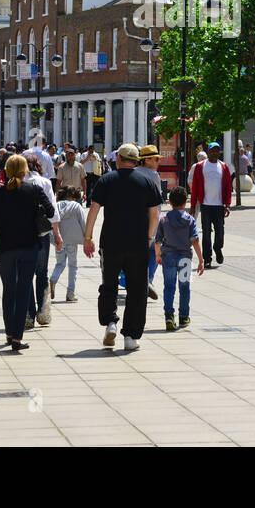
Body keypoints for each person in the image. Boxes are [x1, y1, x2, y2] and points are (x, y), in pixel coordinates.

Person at [83, 143, 162, 352]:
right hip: (137, 243)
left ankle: (110, 322)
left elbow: (94, 209)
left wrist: (88, 237)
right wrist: (149, 238)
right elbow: (155, 215)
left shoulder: (106, 180)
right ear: (136, 161)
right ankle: (130, 336)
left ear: (118, 159)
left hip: (111, 242)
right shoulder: (147, 181)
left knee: (108, 285)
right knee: (137, 289)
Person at [0, 155, 54, 351]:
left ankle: (8, 333)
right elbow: (50, 211)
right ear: (25, 171)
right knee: (23, 290)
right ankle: (17, 337)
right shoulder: (34, 189)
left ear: (6, 171)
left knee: (8, 290)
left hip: (5, 248)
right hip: (29, 246)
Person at [155, 186, 205, 330]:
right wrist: (201, 260)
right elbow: (194, 240)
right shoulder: (189, 220)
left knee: (169, 287)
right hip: (185, 258)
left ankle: (169, 316)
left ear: (170, 202)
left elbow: (158, 240)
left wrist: (158, 255)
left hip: (168, 257)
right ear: (186, 202)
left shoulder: (164, 219)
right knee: (184, 287)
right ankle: (184, 316)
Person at [23, 152, 61, 328]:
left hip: (24, 233)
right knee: (42, 273)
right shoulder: (45, 182)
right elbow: (52, 210)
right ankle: (43, 312)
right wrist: (57, 234)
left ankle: (28, 314)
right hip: (42, 233)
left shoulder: (20, 182)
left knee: (25, 274)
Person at [190, 142, 232, 268]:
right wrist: (193, 206)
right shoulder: (200, 166)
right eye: (212, 150)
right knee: (206, 233)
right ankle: (207, 258)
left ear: (219, 152)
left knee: (220, 232)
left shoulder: (224, 167)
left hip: (219, 205)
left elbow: (228, 188)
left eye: (216, 150)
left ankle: (217, 248)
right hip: (206, 205)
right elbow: (195, 188)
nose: (214, 153)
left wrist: (228, 205)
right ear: (208, 152)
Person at [50, 185, 86, 302]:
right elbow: (83, 222)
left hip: (59, 240)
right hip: (72, 240)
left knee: (60, 263)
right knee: (73, 266)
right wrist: (87, 237)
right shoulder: (76, 206)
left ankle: (53, 278)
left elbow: (52, 221)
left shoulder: (57, 205)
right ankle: (70, 293)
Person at [139, 145, 164, 299]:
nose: (157, 162)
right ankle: (148, 280)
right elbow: (157, 200)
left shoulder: (134, 172)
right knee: (155, 251)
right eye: (155, 159)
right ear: (146, 160)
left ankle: (138, 280)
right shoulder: (153, 174)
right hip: (151, 218)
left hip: (136, 219)